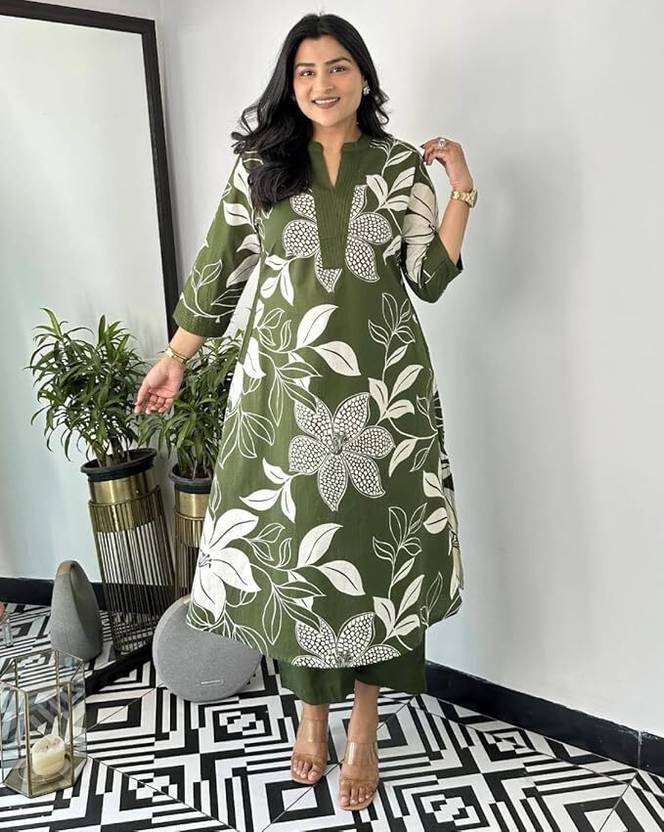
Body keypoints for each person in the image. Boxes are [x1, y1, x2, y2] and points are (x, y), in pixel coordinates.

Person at [134, 12, 476, 812]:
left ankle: (365, 730)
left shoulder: (397, 164)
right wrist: (175, 357)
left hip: (383, 390)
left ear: (364, 75)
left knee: (375, 555)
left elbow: (429, 277)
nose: (323, 84)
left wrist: (461, 186)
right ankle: (311, 718)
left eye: (338, 67)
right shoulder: (262, 165)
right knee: (299, 556)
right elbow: (218, 270)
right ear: (290, 84)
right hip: (284, 393)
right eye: (306, 71)